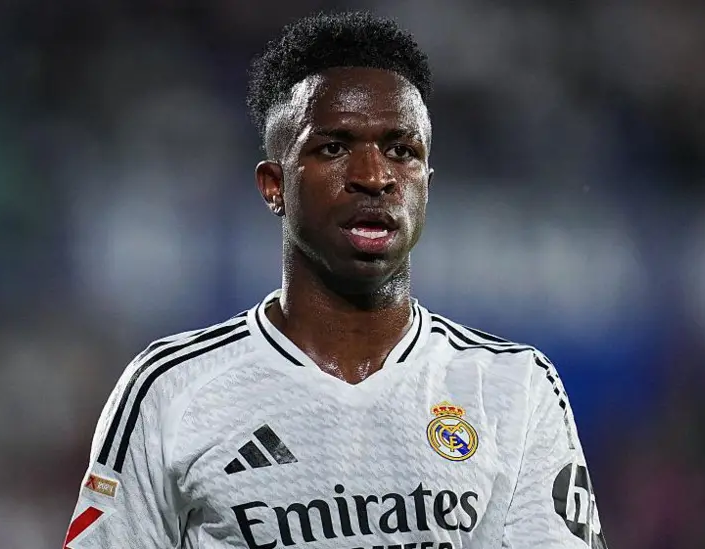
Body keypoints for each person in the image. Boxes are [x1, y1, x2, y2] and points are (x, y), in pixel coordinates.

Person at [63, 11, 607, 549]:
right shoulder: (171, 390)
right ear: (273, 185)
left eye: (401, 151)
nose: (374, 177)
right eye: (333, 148)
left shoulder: (513, 387)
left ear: (427, 182)